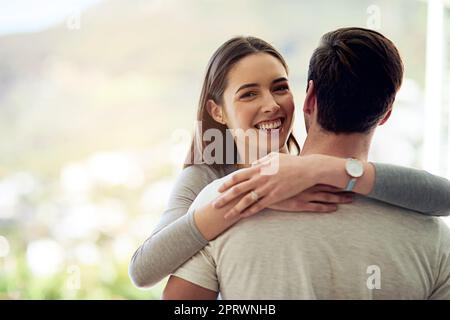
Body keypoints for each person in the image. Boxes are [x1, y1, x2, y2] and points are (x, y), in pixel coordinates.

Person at [129, 34, 450, 290]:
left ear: (306, 97)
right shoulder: (205, 180)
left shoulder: (307, 172)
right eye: (249, 94)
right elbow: (144, 270)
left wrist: (320, 169)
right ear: (218, 111)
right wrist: (249, 198)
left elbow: (441, 197)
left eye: (280, 87)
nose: (271, 104)